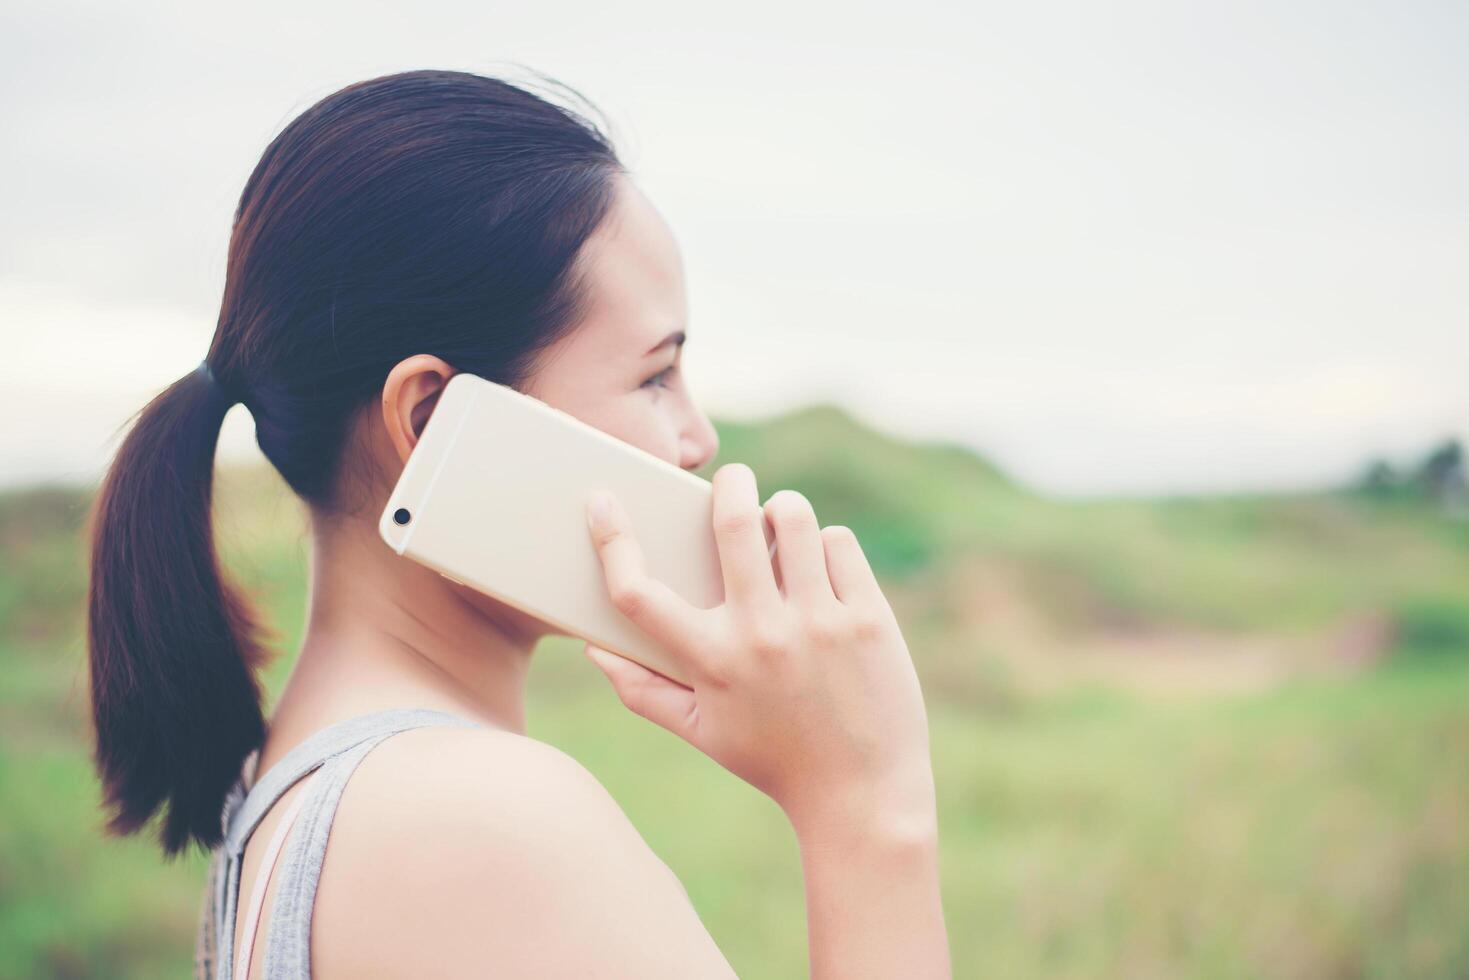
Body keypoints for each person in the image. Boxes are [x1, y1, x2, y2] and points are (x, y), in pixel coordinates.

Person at [85, 67, 950, 979]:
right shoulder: (480, 817)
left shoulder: (294, 780)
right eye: (654, 377)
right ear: (430, 425)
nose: (698, 439)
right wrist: (867, 808)